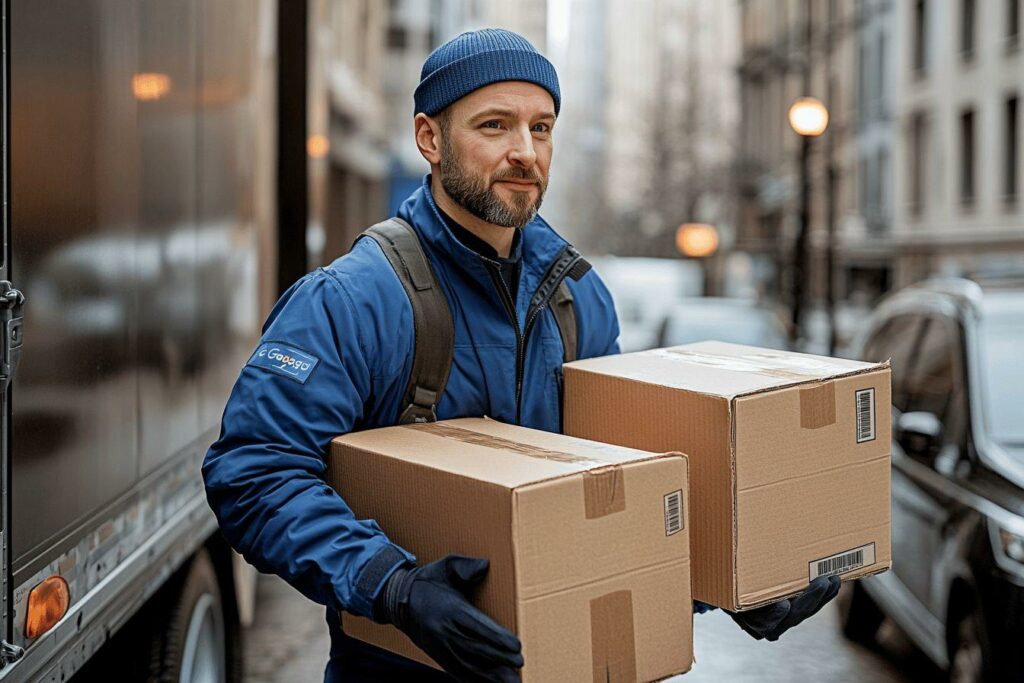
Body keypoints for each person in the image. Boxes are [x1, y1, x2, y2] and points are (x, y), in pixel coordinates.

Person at [202, 28, 840, 683]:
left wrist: (730, 581)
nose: (524, 152)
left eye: (542, 127)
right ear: (430, 138)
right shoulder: (352, 300)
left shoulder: (581, 299)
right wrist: (393, 585)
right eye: (495, 125)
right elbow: (254, 473)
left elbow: (615, 504)